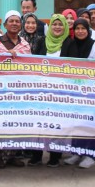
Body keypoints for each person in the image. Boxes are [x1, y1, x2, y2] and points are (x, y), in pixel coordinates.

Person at [0, 10, 30, 169]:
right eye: (11, 21)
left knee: (15, 122)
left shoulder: (25, 44)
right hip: (0, 90)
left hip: (18, 90)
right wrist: (6, 54)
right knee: (0, 123)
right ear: (5, 24)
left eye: (17, 21)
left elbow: (29, 65)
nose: (14, 24)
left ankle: (11, 155)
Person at [31, 13, 71, 167]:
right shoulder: (42, 41)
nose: (57, 27)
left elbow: (73, 66)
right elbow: (33, 62)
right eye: (54, 24)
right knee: (38, 124)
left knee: (57, 124)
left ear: (65, 27)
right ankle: (36, 156)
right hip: (41, 90)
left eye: (60, 24)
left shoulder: (69, 43)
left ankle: (55, 156)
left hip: (60, 92)